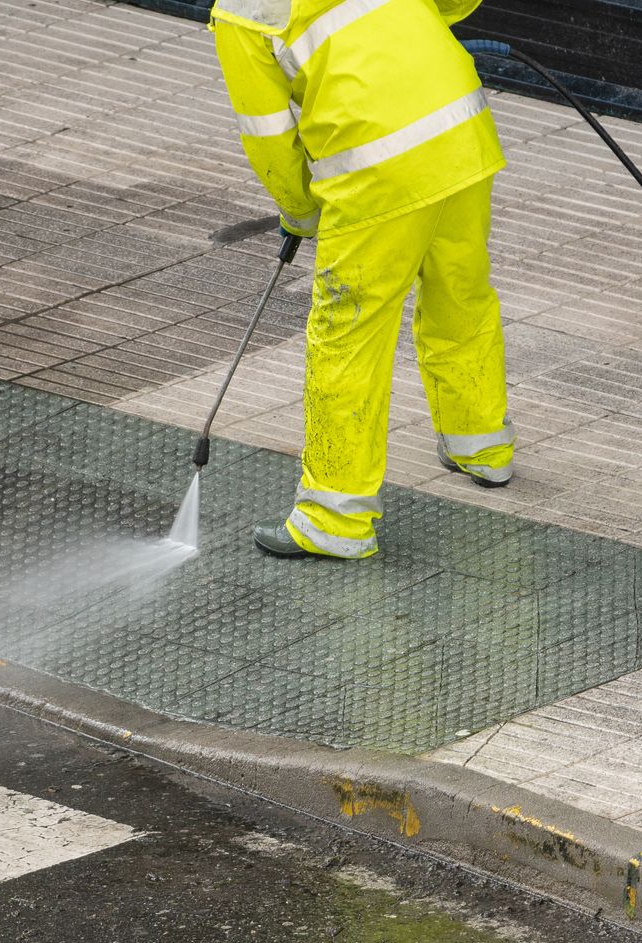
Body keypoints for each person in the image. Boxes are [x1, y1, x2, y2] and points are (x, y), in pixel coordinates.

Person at [209, 0, 511, 560]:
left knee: (346, 331)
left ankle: (334, 518)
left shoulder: (242, 12)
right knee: (458, 288)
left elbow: (268, 134)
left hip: (378, 168)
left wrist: (299, 209)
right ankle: (483, 447)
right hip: (460, 132)